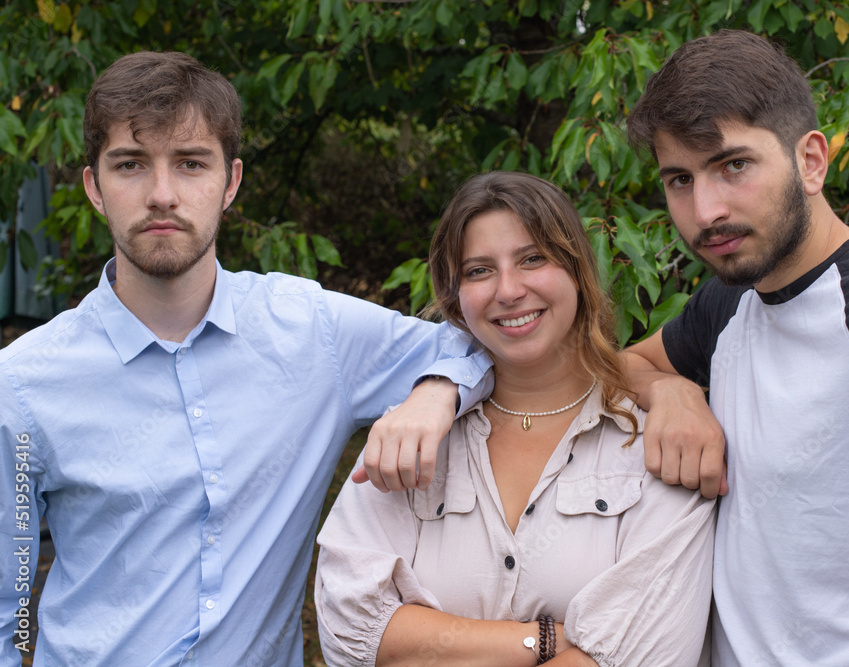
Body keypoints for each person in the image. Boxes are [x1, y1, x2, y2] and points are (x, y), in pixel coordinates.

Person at [0, 51, 492, 666]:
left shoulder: (311, 332)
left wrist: (435, 392)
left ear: (230, 182)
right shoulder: (23, 384)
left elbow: (478, 343)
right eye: (130, 165)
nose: (162, 195)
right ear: (94, 188)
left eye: (190, 163)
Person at [621, 29, 849, 666]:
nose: (705, 210)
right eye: (680, 178)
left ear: (811, 161)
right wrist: (671, 391)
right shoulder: (733, 299)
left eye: (733, 165)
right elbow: (624, 364)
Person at [314, 171, 716, 666]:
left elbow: (644, 654)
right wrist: (546, 641)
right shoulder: (410, 437)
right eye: (479, 270)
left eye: (532, 259)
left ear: (577, 269)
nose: (508, 290)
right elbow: (350, 630)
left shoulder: (657, 441)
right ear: (455, 296)